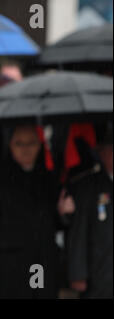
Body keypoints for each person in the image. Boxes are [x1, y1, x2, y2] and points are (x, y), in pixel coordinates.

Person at [0, 124, 69, 299]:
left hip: (42, 262)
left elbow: (54, 222)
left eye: (31, 143)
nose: (26, 149)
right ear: (10, 145)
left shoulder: (48, 178)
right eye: (19, 143)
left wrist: (63, 212)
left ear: (40, 145)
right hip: (8, 264)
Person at [65, 124, 113, 298]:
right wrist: (78, 273)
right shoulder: (88, 186)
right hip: (99, 273)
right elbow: (79, 231)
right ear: (102, 153)